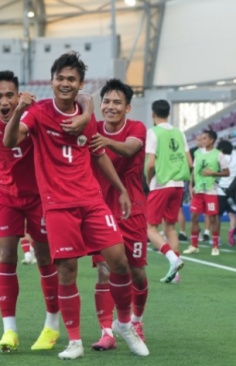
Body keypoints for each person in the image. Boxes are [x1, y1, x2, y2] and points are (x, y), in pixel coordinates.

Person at [4, 51, 149, 360]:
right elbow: (10, 141)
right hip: (57, 206)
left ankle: (124, 324)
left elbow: (98, 153)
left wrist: (121, 189)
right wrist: (17, 111)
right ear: (52, 81)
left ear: (80, 84)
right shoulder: (39, 113)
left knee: (119, 262)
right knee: (67, 270)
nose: (65, 83)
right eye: (60, 78)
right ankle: (74, 341)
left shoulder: (87, 118)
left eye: (71, 79)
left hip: (92, 202)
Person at [0, 70, 62, 352]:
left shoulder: (34, 113)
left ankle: (52, 325)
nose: (5, 102)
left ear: (19, 96)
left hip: (39, 196)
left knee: (44, 257)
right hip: (5, 195)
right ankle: (9, 330)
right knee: (6, 255)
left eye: (10, 96)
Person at [89, 79, 150, 350]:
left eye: (117, 102)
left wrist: (105, 141)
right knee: (104, 271)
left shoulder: (137, 128)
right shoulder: (92, 127)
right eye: (106, 102)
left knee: (136, 272)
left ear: (127, 108)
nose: (110, 107)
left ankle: (136, 321)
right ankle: (107, 332)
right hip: (101, 210)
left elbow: (129, 148)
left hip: (132, 209)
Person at [144, 99, 189, 284]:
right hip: (178, 184)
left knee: (150, 228)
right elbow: (190, 161)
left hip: (161, 183)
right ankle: (175, 274)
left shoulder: (153, 132)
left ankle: (172, 259)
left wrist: (148, 180)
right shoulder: (179, 133)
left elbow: (151, 163)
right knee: (170, 227)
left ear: (153, 115)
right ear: (169, 114)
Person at [184, 130, 229, 256]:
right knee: (194, 217)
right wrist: (191, 185)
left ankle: (215, 246)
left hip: (210, 190)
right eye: (201, 138)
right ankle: (194, 245)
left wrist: (213, 173)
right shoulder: (197, 153)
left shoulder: (218, 154)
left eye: (204, 138)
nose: (202, 140)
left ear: (211, 140)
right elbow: (194, 170)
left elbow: (227, 172)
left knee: (213, 218)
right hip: (198, 190)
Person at [216, 139, 236, 240]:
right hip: (233, 190)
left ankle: (217, 237)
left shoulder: (219, 158)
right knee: (232, 214)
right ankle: (232, 234)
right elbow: (233, 151)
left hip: (221, 190)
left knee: (217, 215)